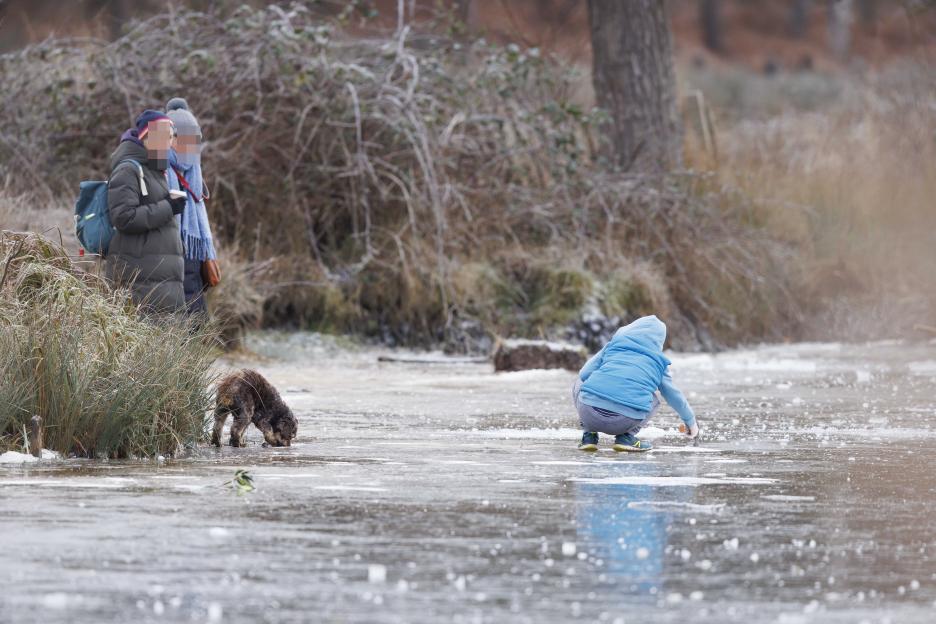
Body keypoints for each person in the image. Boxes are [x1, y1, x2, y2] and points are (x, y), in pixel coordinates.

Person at [574, 315, 699, 452]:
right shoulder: (658, 362)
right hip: (624, 421)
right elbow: (673, 395)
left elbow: (584, 374)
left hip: (589, 414)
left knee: (579, 382)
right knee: (654, 399)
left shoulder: (612, 347)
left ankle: (588, 435)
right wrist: (690, 421)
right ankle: (627, 437)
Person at [106, 110, 186, 314]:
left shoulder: (155, 170)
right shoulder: (128, 169)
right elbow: (124, 217)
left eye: (170, 137)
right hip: (141, 281)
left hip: (161, 281)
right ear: (147, 137)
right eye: (164, 137)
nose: (169, 143)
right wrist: (169, 207)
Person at [165, 97, 217, 316]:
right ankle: (196, 344)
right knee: (193, 295)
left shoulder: (163, 158)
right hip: (194, 241)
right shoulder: (195, 167)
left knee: (181, 296)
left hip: (173, 241)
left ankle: (188, 345)